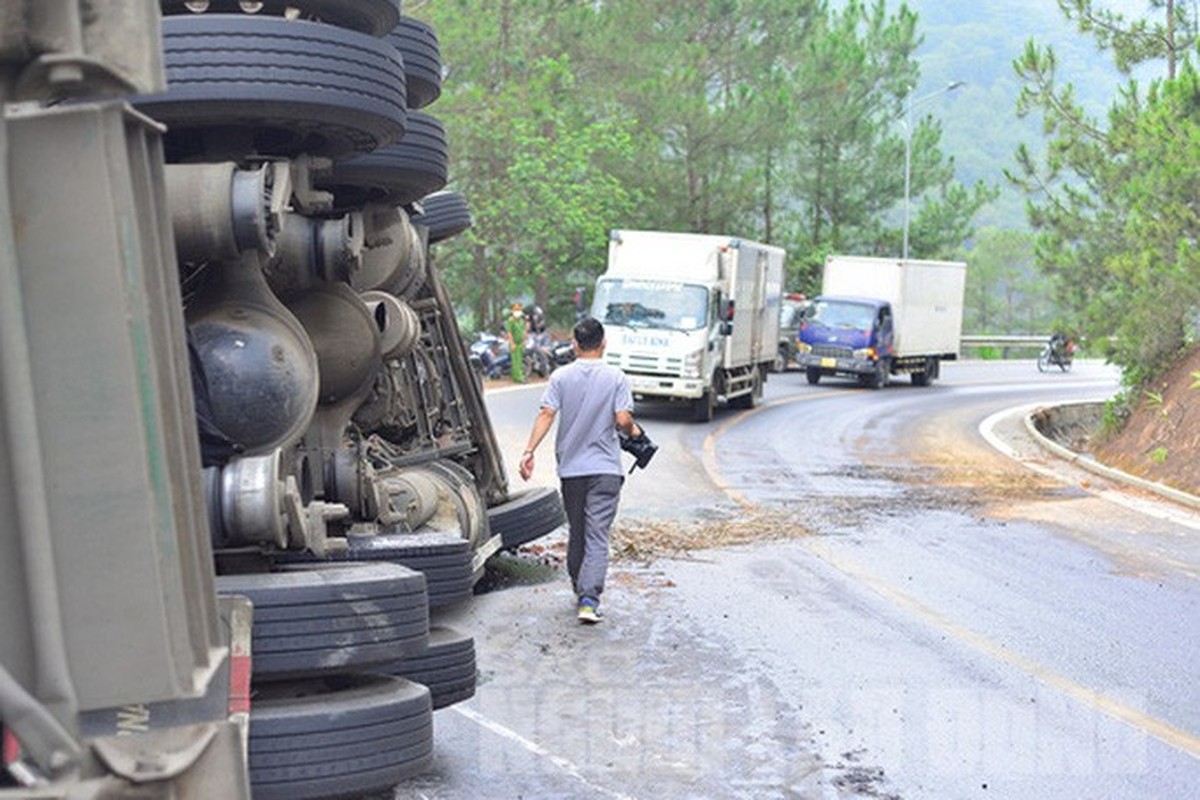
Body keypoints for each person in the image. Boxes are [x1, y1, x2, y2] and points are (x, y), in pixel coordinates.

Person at [518, 317, 642, 624]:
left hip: (572, 469)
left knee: (578, 532)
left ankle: (580, 587)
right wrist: (634, 433)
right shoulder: (616, 377)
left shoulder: (561, 377)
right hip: (606, 471)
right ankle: (589, 598)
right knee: (598, 534)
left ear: (574, 344)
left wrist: (529, 451)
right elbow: (623, 419)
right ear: (604, 343)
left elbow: (546, 414)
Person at [505, 303, 527, 383]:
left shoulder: (521, 320)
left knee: (520, 361)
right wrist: (512, 343)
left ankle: (516, 377)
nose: (518, 312)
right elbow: (509, 333)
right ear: (512, 311)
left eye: (519, 310)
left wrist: (524, 341)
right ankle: (518, 378)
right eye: (516, 310)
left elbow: (523, 331)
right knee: (516, 362)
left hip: (520, 343)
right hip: (514, 343)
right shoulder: (510, 321)